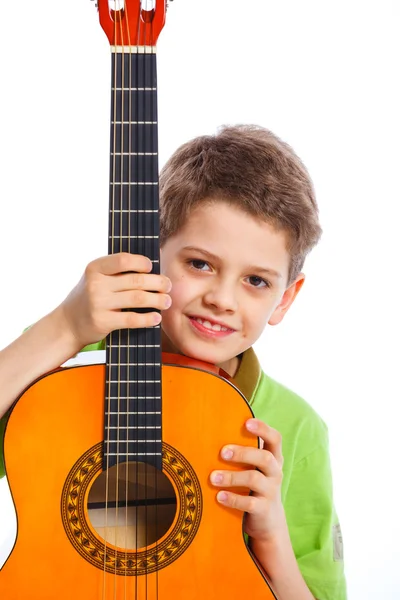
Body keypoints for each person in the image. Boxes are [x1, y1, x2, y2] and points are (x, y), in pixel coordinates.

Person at [0, 125, 346, 600]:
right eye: (200, 264)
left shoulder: (297, 427)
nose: (222, 299)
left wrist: (270, 536)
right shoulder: (55, 376)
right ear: (151, 254)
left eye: (257, 281)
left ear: (286, 299)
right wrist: (64, 327)